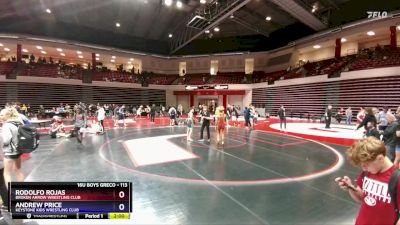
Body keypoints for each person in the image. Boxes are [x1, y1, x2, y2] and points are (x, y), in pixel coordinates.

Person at [335, 137, 400, 225]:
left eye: (366, 165)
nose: (363, 168)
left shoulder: (397, 179)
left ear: (380, 158)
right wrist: (350, 188)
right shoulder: (367, 173)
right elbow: (362, 198)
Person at [0, 107, 25, 189]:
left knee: (6, 173)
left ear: (6, 115)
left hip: (10, 152)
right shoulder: (18, 123)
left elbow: (6, 140)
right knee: (18, 170)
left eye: (2, 114)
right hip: (18, 150)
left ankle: (11, 194)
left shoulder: (7, 125)